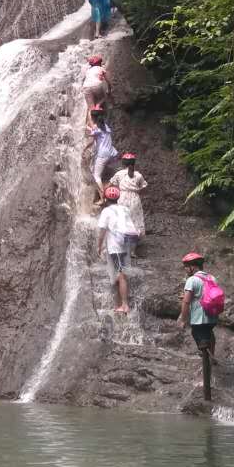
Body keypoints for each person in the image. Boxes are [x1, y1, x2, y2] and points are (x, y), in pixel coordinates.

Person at [95, 184, 132, 314]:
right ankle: (120, 299)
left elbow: (102, 231)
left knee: (121, 275)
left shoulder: (106, 211)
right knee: (120, 272)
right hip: (125, 245)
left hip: (115, 247)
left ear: (105, 198)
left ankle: (125, 305)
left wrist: (99, 246)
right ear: (118, 197)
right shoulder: (125, 209)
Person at [177, 250, 218, 361]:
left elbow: (186, 302)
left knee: (199, 336)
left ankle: (206, 360)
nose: (185, 269)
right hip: (212, 316)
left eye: (186, 266)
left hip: (199, 318)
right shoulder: (211, 278)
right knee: (209, 333)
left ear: (193, 267)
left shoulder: (192, 280)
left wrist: (183, 320)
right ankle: (211, 357)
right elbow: (205, 294)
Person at [108, 152, 147, 240]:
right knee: (135, 221)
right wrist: (136, 191)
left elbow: (109, 186)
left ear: (123, 163)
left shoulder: (119, 174)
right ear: (134, 163)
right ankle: (133, 249)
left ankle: (121, 244)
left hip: (122, 197)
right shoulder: (138, 175)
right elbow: (144, 188)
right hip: (135, 199)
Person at [85, 103, 118, 202]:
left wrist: (88, 116)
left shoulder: (97, 129)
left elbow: (92, 136)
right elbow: (95, 130)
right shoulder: (105, 127)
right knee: (95, 169)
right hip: (111, 154)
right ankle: (105, 192)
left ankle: (102, 198)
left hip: (103, 154)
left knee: (96, 176)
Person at [81, 54, 112, 124]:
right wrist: (109, 90)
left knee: (90, 109)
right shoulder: (101, 68)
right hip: (97, 85)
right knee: (104, 97)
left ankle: (93, 128)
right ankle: (98, 105)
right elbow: (109, 82)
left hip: (86, 87)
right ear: (99, 63)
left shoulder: (88, 70)